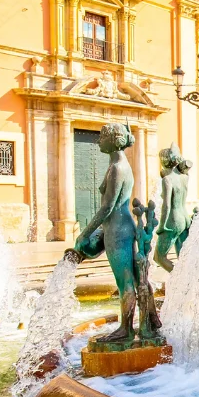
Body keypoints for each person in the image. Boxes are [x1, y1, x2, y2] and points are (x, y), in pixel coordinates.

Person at [72, 123, 152, 342]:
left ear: (113, 140)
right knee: (131, 279)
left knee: (124, 281)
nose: (98, 141)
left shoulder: (118, 168)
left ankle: (126, 329)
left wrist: (84, 233)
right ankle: (138, 325)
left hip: (118, 229)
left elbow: (108, 207)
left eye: (102, 137)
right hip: (115, 227)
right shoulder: (116, 165)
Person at [154, 143, 193, 272]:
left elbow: (166, 205)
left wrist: (162, 226)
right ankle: (188, 279)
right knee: (183, 258)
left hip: (173, 220)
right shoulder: (184, 178)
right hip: (185, 218)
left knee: (159, 257)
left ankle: (180, 279)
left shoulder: (167, 180)